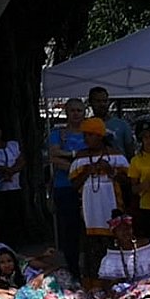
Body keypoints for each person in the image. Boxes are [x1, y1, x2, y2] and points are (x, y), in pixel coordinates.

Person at [77, 211, 150, 299]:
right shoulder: (111, 257)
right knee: (99, 294)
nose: (125, 232)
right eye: (120, 230)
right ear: (114, 233)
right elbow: (107, 283)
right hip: (126, 289)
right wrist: (115, 284)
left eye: (127, 228)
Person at [69, 117, 130, 285]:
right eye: (85, 135)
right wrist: (87, 172)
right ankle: (93, 283)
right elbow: (74, 185)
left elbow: (128, 181)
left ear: (100, 136)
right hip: (90, 209)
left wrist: (110, 171)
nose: (86, 139)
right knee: (91, 245)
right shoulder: (81, 157)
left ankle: (116, 281)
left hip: (112, 204)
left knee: (113, 241)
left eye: (90, 135)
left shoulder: (116, 155)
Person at [47, 97, 89, 275]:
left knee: (89, 230)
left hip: (89, 187)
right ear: (66, 112)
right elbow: (53, 157)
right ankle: (72, 269)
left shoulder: (90, 133)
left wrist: (67, 157)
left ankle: (91, 269)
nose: (76, 114)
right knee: (69, 230)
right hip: (64, 187)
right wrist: (78, 160)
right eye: (72, 110)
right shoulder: (57, 134)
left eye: (79, 110)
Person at [87, 86, 135, 158]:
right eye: (98, 101)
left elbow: (130, 153)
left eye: (105, 101)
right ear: (90, 102)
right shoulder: (85, 126)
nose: (102, 104)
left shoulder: (122, 125)